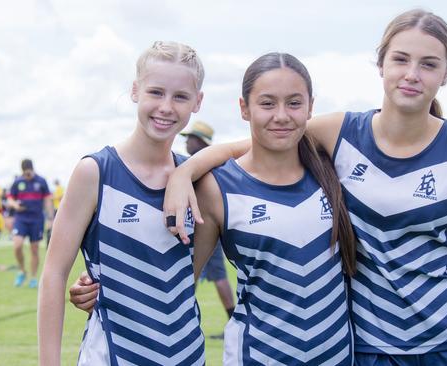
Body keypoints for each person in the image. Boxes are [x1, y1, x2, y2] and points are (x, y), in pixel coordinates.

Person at [163, 9, 447, 366]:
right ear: (381, 64)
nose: (412, 74)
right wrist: (185, 171)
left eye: (428, 64)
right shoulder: (341, 134)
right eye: (400, 59)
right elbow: (261, 141)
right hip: (370, 347)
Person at [72, 52, 358, 365]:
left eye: (294, 102)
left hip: (338, 356)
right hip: (255, 356)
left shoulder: (334, 165)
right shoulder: (218, 187)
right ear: (244, 108)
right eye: (266, 103)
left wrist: (186, 170)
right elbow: (178, 280)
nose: (281, 115)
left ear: (311, 107)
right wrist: (105, 286)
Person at [38, 41, 206, 366]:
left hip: (186, 355)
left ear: (197, 102)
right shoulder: (96, 171)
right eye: (156, 92)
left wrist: (195, 165)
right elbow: (54, 273)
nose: (166, 107)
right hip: (110, 356)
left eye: (181, 96)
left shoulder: (200, 180)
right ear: (135, 91)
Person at [181, 120, 236, 340]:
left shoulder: (201, 165)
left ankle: (181, 320)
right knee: (206, 274)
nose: (186, 143)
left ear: (199, 142)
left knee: (198, 274)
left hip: (203, 229)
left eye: (190, 139)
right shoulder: (213, 163)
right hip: (207, 228)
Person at [7, 158, 54, 288]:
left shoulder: (41, 181)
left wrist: (51, 218)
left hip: (37, 219)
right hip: (21, 218)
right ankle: (22, 270)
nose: (27, 176)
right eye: (25, 173)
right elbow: (10, 198)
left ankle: (33, 278)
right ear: (22, 171)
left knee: (34, 249)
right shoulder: (17, 182)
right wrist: (15, 205)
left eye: (29, 173)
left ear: (32, 170)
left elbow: (48, 200)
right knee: (17, 245)